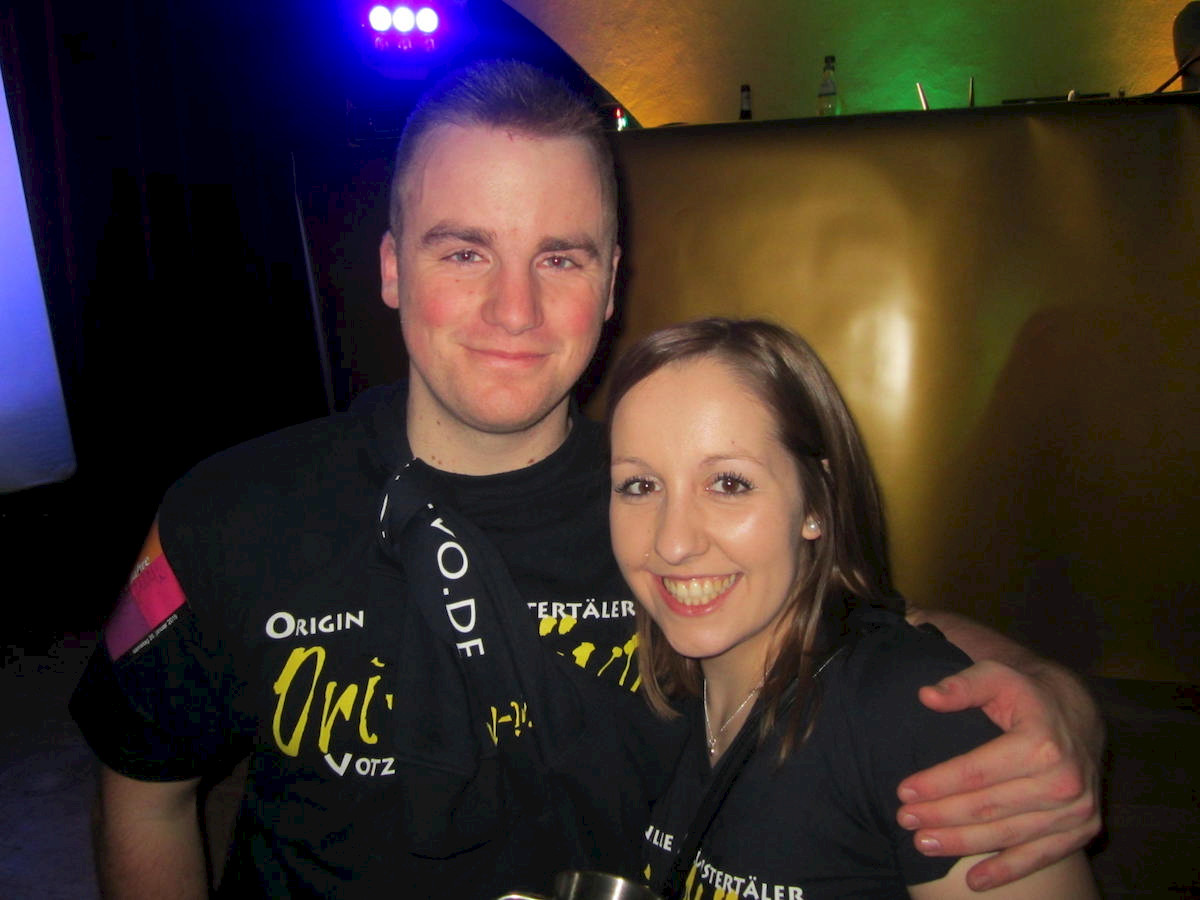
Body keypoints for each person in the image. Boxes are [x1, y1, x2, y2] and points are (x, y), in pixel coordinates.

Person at [70, 60, 1099, 899]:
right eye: (464, 252)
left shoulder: (666, 506)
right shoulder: (230, 511)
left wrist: (1052, 699)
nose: (514, 310)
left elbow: (851, 625)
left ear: (610, 284)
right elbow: (145, 792)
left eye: (560, 258)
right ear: (391, 268)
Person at [607, 318, 1099, 899]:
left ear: (816, 502)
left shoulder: (915, 718)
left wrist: (1061, 694)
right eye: (639, 486)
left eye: (730, 484)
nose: (673, 542)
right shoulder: (658, 687)